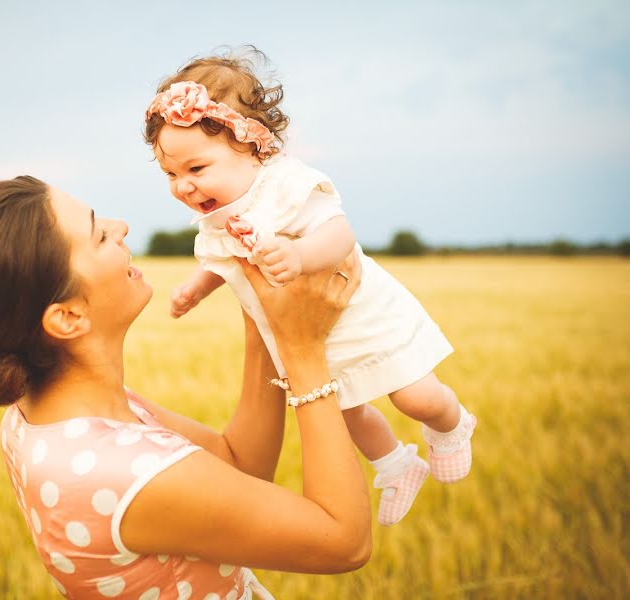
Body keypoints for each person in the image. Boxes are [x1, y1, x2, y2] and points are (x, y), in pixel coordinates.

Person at [0, 175, 371, 599]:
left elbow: (239, 466)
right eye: (99, 236)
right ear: (68, 317)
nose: (122, 226)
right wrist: (304, 352)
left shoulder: (58, 412)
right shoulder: (124, 472)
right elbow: (345, 543)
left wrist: (262, 314)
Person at [143, 48, 477, 526]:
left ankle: (451, 425)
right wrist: (199, 287)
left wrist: (298, 255)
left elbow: (339, 234)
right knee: (343, 412)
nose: (182, 186)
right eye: (170, 175)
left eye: (196, 169)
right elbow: (222, 261)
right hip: (304, 334)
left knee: (415, 398)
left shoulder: (285, 186)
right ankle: (395, 465)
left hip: (358, 315)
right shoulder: (216, 220)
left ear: (251, 146)